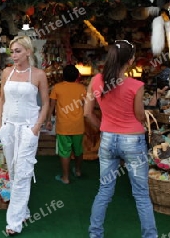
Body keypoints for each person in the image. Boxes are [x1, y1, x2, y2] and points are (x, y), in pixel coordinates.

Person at [84, 40, 158, 238]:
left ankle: (95, 234)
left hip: (108, 138)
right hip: (132, 140)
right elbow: (140, 116)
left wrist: (103, 129)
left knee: (104, 191)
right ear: (131, 60)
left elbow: (87, 113)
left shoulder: (96, 81)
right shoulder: (136, 85)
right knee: (141, 194)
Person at [0, 36, 49, 236]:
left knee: (23, 172)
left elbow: (45, 103)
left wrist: (36, 128)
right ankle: (23, 210)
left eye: (18, 51)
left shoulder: (38, 75)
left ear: (28, 52)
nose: (14, 55)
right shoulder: (6, 72)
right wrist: (0, 125)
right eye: (12, 51)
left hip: (28, 127)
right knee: (13, 170)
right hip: (8, 127)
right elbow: (1, 99)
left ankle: (14, 222)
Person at [46, 64, 86, 184]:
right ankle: (78, 171)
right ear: (76, 76)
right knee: (78, 150)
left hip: (63, 126)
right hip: (78, 125)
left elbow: (51, 106)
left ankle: (65, 177)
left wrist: (48, 120)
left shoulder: (57, 88)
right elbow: (86, 105)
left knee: (64, 151)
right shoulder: (82, 88)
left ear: (63, 76)